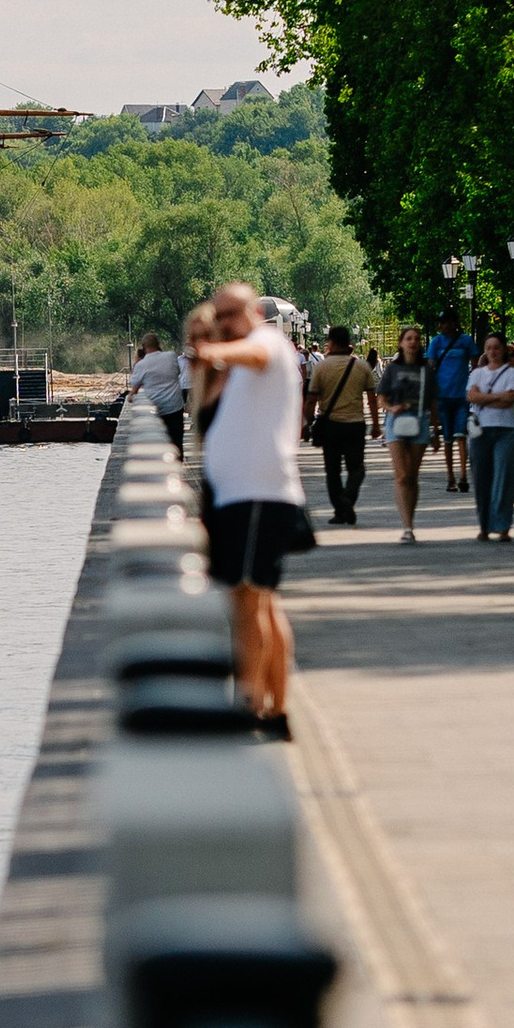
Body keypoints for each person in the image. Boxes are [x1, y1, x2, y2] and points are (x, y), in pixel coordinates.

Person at [184, 281, 311, 734]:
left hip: (258, 495)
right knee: (258, 601)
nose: (222, 324)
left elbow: (254, 354)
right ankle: (272, 708)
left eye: (229, 315)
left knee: (250, 600)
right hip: (238, 497)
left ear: (253, 313)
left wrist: (215, 354)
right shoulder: (235, 365)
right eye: (217, 317)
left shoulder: (268, 343)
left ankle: (252, 703)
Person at [303, 323, 378, 527]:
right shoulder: (362, 366)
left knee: (333, 471)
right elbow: (372, 398)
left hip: (331, 426)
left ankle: (340, 508)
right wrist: (377, 424)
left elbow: (311, 399)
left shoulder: (321, 367)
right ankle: (347, 502)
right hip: (355, 425)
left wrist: (307, 424)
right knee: (357, 469)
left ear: (332, 343)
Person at [467, 332, 514, 540]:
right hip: (481, 431)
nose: (492, 352)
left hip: (506, 430)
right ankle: (484, 526)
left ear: (503, 349)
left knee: (505, 476)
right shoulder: (476, 373)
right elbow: (471, 396)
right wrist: (497, 396)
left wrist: (483, 399)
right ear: (484, 351)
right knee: (481, 478)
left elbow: (510, 399)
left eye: (496, 347)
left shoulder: (513, 373)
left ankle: (503, 525)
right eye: (489, 347)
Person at [378, 327, 431, 542]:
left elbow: (433, 400)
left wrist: (436, 428)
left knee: (412, 475)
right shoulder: (392, 369)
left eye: (416, 339)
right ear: (401, 343)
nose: (413, 342)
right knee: (401, 475)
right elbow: (381, 396)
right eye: (408, 339)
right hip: (396, 422)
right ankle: (407, 526)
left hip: (420, 421)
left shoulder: (426, 369)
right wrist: (391, 409)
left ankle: (411, 518)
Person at [425, 311, 475, 492]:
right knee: (447, 439)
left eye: (446, 322)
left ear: (454, 322)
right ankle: (450, 477)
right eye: (441, 322)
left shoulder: (465, 341)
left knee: (461, 436)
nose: (443, 325)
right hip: (442, 396)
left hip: (462, 396)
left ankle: (463, 475)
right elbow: (430, 366)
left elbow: (476, 365)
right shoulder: (436, 342)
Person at [128, 330, 187, 457]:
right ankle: (178, 469)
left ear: (143, 348)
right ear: (158, 344)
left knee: (157, 446)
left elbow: (134, 388)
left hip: (155, 410)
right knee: (177, 442)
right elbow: (177, 372)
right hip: (175, 407)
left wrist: (137, 360)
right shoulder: (171, 356)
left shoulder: (141, 365)